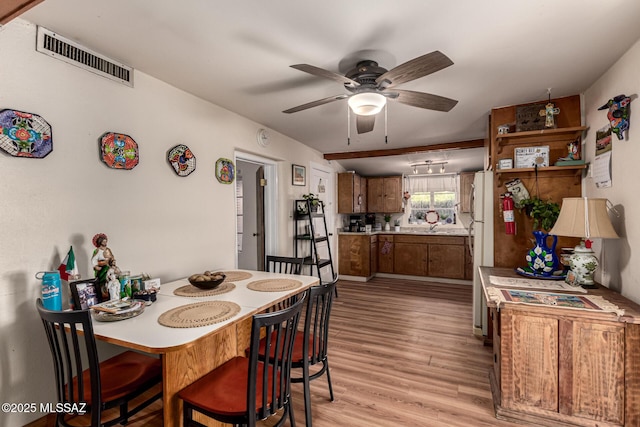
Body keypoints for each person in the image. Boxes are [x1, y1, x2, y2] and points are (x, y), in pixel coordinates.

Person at [92, 233, 116, 299]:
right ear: (100, 242)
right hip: (102, 269)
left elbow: (112, 257)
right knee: (103, 283)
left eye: (105, 241)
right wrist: (98, 265)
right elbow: (94, 261)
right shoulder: (97, 251)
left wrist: (112, 262)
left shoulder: (108, 249)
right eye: (103, 241)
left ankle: (111, 294)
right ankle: (104, 295)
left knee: (112, 280)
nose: (105, 242)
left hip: (109, 267)